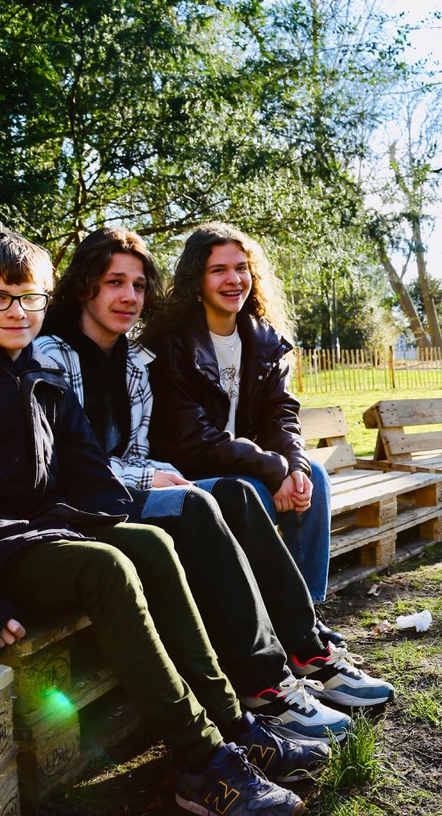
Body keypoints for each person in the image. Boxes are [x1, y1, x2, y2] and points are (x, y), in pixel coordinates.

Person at [0, 227, 322, 816]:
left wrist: (114, 516)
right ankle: (202, 764)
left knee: (151, 543)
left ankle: (236, 728)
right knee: (107, 565)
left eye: (30, 297)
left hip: (45, 533)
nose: (17, 311)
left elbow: (87, 473)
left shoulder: (37, 377)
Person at [34, 226, 393, 726]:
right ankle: (263, 684)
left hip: (124, 490)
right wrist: (151, 478)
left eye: (138, 286)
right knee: (214, 498)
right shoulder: (52, 356)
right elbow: (65, 463)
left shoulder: (134, 365)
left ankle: (307, 648)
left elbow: (141, 451)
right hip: (81, 506)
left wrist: (163, 474)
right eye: (115, 282)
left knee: (236, 495)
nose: (129, 297)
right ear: (82, 287)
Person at [141, 223, 332, 609]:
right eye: (219, 270)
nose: (234, 280)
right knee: (256, 491)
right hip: (187, 471)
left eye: (241, 268)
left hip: (244, 465)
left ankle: (306, 611)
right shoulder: (169, 345)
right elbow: (194, 438)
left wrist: (292, 466)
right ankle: (278, 613)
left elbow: (280, 416)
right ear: (197, 280)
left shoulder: (263, 341)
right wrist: (271, 468)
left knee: (314, 477)